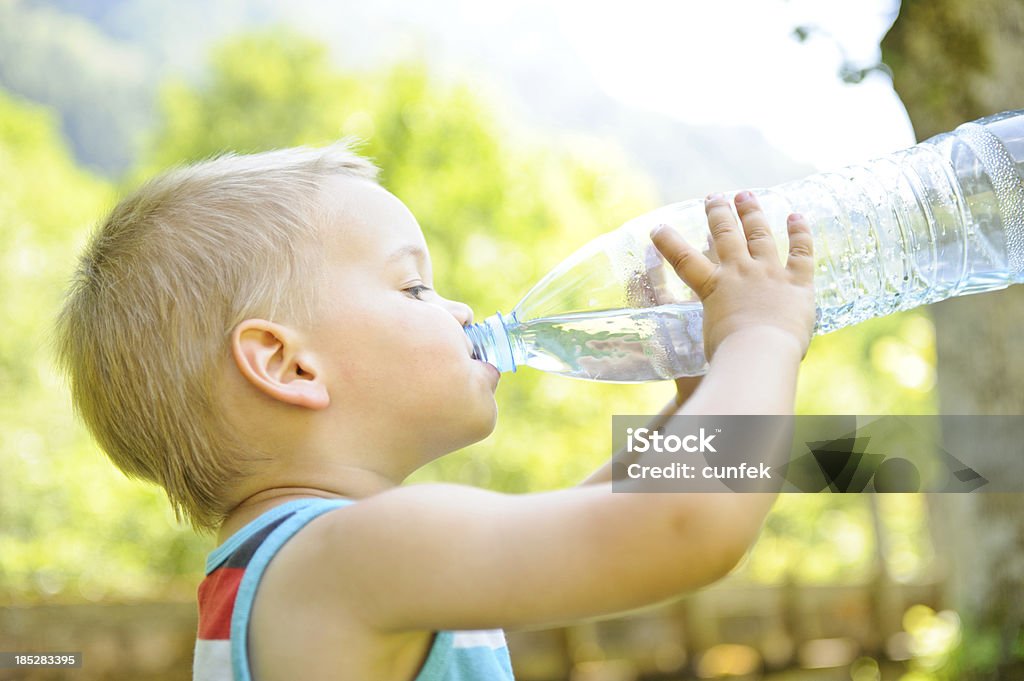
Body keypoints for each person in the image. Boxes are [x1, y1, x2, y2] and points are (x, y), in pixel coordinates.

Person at [53, 143, 816, 681]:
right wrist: (764, 334)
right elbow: (681, 529)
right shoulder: (351, 553)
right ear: (288, 365)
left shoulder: (289, 564)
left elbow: (591, 519)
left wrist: (690, 403)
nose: (458, 308)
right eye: (414, 287)